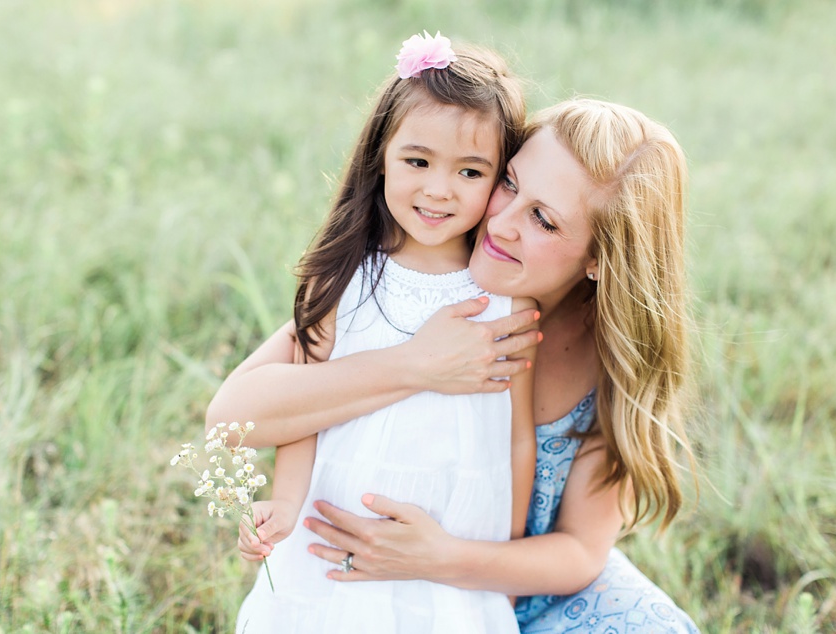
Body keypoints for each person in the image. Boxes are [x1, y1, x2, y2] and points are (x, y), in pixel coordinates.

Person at [213, 100, 699, 630]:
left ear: (601, 260)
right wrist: (412, 364)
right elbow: (230, 419)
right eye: (509, 183)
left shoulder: (611, 359)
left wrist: (440, 559)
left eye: (543, 219)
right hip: (380, 580)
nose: (502, 222)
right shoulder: (412, 283)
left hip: (514, 585)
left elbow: (582, 552)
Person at [213, 32, 535, 633]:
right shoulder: (344, 277)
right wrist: (283, 503)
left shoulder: (506, 295)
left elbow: (517, 435)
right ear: (381, 156)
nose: (438, 189)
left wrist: (505, 560)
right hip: (334, 530)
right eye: (418, 162)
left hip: (454, 540)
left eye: (469, 171)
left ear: (499, 181)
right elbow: (302, 407)